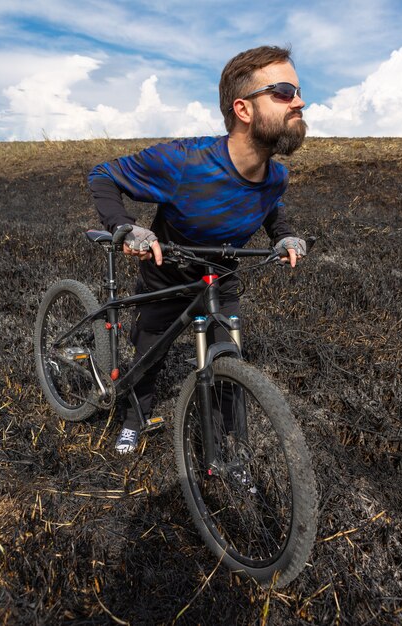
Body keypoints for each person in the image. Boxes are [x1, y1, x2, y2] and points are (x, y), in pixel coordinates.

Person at [89, 45, 308, 454]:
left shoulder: (277, 176)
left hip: (221, 278)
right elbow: (103, 175)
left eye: (298, 90)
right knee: (149, 356)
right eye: (283, 91)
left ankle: (231, 448)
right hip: (167, 275)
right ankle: (135, 420)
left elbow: (268, 207)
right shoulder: (184, 161)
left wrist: (283, 234)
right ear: (243, 109)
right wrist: (125, 228)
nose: (300, 101)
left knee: (229, 362)